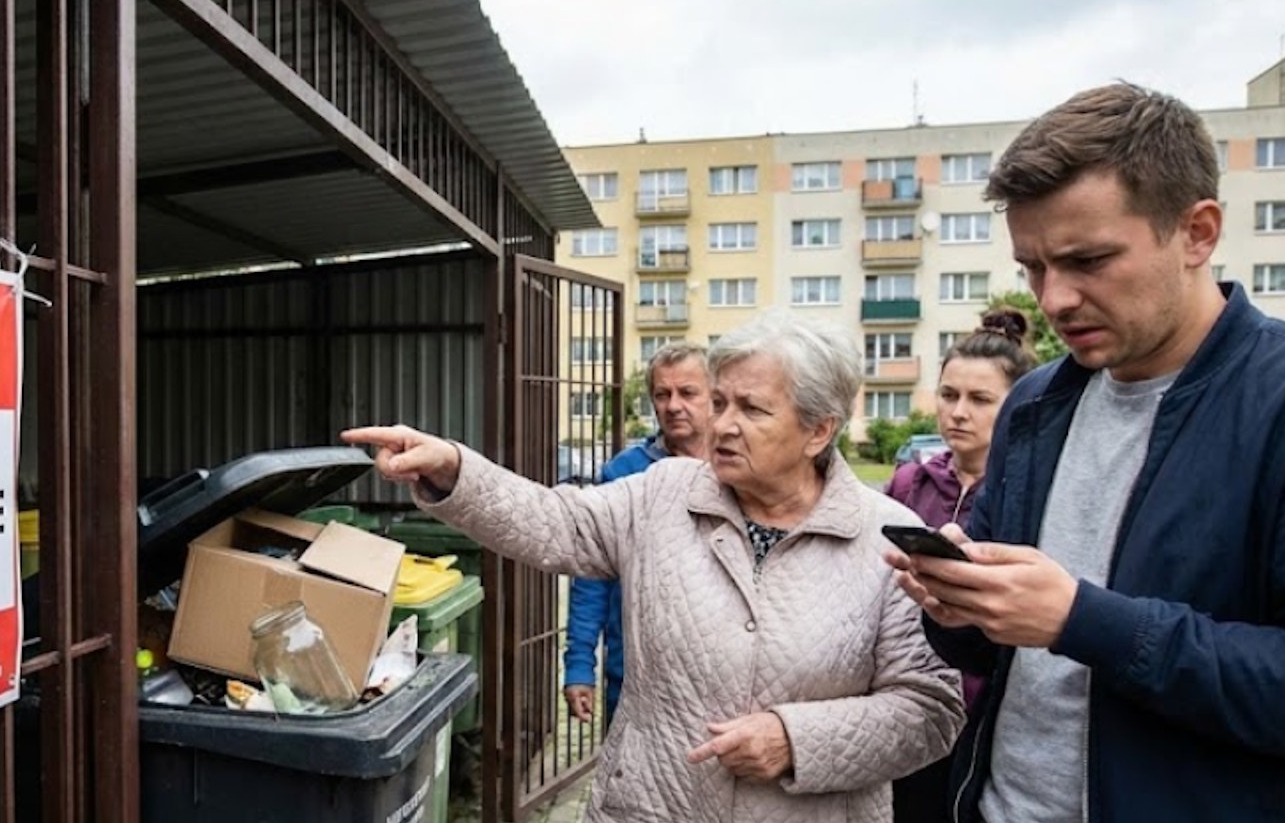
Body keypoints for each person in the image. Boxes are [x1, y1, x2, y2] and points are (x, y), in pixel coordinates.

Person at [345, 310, 963, 823]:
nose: (722, 425)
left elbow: (931, 710)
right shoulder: (664, 491)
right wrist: (454, 468)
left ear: (818, 430)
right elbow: (556, 522)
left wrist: (796, 739)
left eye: (751, 409)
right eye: (719, 402)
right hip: (649, 807)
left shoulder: (886, 542)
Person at [885, 82, 1285, 822]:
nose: (1054, 300)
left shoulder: (1284, 399)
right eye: (1034, 267)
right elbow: (997, 655)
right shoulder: (1038, 402)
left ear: (1198, 232)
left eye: (1088, 260)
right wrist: (958, 608)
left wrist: (1083, 618)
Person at [883, 310, 1036, 823]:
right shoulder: (910, 482)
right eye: (949, 396)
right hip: (903, 705)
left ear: (1015, 405)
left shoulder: (1029, 492)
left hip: (980, 716)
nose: (958, 413)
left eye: (980, 400)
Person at [563, 341, 711, 726]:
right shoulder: (624, 473)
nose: (674, 405)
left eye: (688, 392)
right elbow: (592, 577)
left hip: (716, 685)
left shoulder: (739, 471)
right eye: (662, 394)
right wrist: (579, 665)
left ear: (715, 395)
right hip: (633, 683)